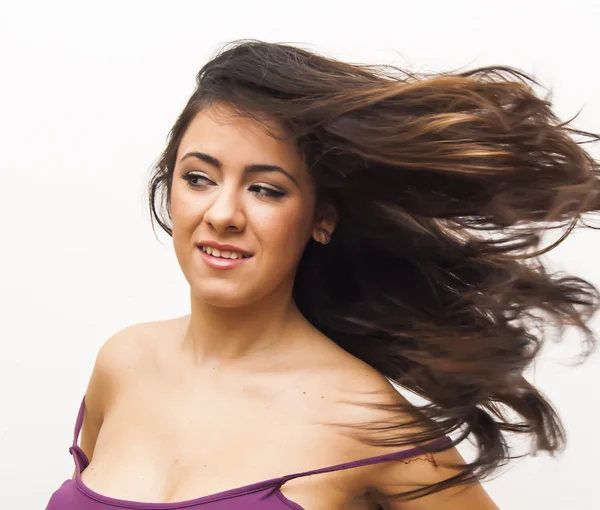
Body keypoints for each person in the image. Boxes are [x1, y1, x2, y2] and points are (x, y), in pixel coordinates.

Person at [45, 39, 600, 510]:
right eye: (198, 178)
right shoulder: (122, 363)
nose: (222, 214)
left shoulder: (365, 419)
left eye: (265, 189)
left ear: (321, 219)